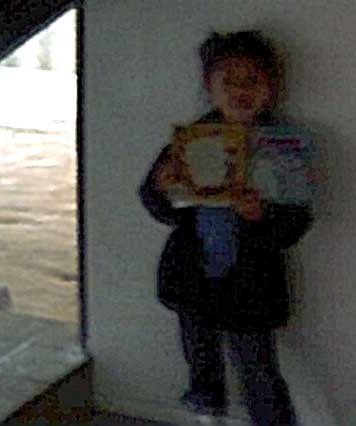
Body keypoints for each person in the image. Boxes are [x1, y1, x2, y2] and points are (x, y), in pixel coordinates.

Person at [139, 30, 315, 426]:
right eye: (228, 82)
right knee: (201, 365)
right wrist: (161, 186)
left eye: (252, 80)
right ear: (210, 88)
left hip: (252, 284)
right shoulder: (192, 139)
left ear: (271, 87)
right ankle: (207, 413)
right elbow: (157, 205)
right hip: (193, 277)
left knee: (258, 371)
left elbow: (296, 222)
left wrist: (260, 216)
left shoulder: (282, 147)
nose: (240, 91)